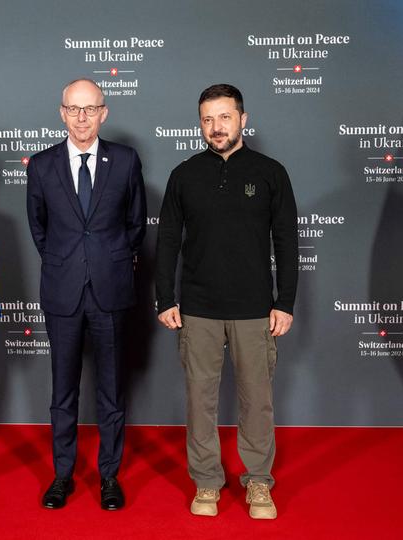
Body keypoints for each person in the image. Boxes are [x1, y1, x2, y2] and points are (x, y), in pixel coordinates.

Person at [155, 84, 298, 519]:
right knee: (200, 400)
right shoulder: (184, 174)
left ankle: (258, 482)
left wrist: (284, 301)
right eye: (207, 119)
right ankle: (206, 483)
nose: (216, 127)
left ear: (243, 119)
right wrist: (166, 298)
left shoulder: (271, 172)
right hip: (197, 308)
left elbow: (287, 241)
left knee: (258, 399)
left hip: (255, 309)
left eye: (224, 117)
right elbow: (166, 242)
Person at [26, 78, 147, 511]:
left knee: (112, 391)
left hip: (111, 289)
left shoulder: (126, 161)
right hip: (62, 292)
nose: (81, 117)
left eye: (90, 108)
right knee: (63, 391)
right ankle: (62, 475)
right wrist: (67, 262)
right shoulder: (40, 165)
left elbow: (136, 224)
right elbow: (39, 228)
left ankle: (109, 476)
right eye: (74, 109)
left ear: (104, 112)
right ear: (62, 113)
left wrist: (107, 260)